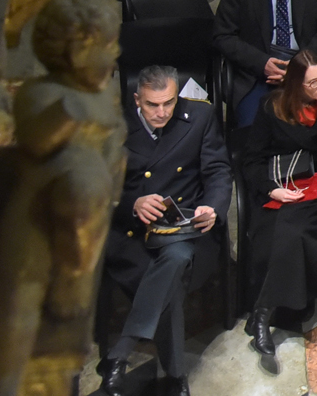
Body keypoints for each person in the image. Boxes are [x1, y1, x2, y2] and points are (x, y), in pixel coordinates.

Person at [100, 65, 230, 396]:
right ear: (136, 100)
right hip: (133, 232)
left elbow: (217, 170)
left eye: (169, 103)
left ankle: (119, 355)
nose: (162, 112)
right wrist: (133, 203)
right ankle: (175, 375)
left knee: (177, 255)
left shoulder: (200, 117)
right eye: (152, 105)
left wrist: (212, 207)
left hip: (186, 226)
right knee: (170, 274)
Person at [238, 52, 317, 357]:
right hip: (277, 186)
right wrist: (270, 190)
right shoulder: (272, 107)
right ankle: (275, 309)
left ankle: (261, 315)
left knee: (290, 226)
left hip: (316, 185)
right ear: (296, 84)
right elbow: (251, 159)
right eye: (312, 82)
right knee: (276, 228)